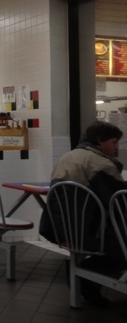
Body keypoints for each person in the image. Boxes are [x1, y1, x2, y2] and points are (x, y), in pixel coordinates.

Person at [40, 120, 126, 307]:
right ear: (100, 140)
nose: (116, 147)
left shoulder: (69, 156)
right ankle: (87, 274)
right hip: (89, 231)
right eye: (113, 142)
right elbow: (119, 202)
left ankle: (84, 277)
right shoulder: (100, 164)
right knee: (122, 245)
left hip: (64, 227)